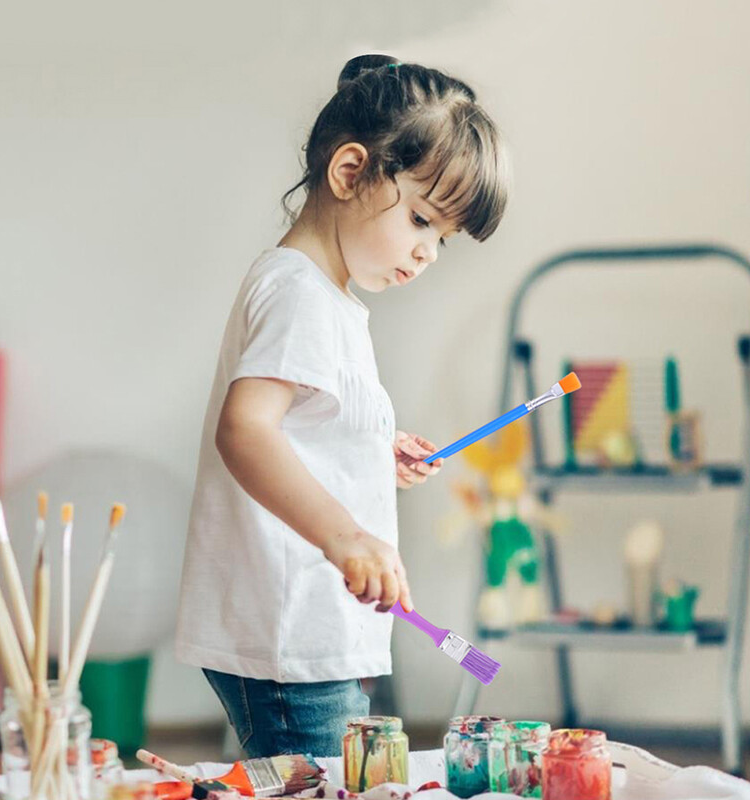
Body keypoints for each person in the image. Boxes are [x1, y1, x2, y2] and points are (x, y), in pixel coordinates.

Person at [176, 53, 509, 758]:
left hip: (311, 625)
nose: (427, 255)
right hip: (292, 630)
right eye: (421, 219)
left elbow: (298, 424)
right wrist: (345, 536)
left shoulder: (327, 299)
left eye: (441, 239)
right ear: (350, 171)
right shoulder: (300, 294)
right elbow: (246, 431)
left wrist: (369, 449)